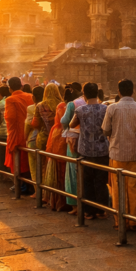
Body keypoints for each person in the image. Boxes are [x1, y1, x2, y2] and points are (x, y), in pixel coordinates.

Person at [102, 79, 136, 230]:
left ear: (119, 92)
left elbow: (106, 130)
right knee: (135, 188)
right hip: (135, 153)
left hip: (117, 153)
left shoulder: (112, 108)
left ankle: (120, 220)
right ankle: (135, 221)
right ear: (133, 91)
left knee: (118, 188)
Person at [68, 82, 110, 219]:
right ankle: (102, 210)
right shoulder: (105, 109)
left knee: (87, 182)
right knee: (101, 181)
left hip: (85, 150)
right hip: (102, 150)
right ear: (97, 94)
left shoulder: (80, 110)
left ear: (84, 94)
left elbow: (71, 124)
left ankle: (89, 211)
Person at [3, 77, 34, 196]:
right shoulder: (30, 96)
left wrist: (11, 135)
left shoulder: (10, 100)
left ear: (10, 88)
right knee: (29, 160)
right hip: (30, 132)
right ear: (21, 86)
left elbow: (10, 118)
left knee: (19, 161)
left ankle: (22, 185)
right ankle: (29, 185)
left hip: (17, 133)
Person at [43, 85, 70, 211]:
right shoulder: (62, 105)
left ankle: (57, 202)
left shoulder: (58, 107)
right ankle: (66, 201)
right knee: (65, 172)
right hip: (66, 137)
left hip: (56, 135)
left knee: (57, 171)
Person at [61, 82, 84, 213]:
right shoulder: (93, 102)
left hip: (73, 142)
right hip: (87, 142)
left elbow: (64, 121)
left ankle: (75, 205)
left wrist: (67, 130)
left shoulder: (72, 104)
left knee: (72, 173)